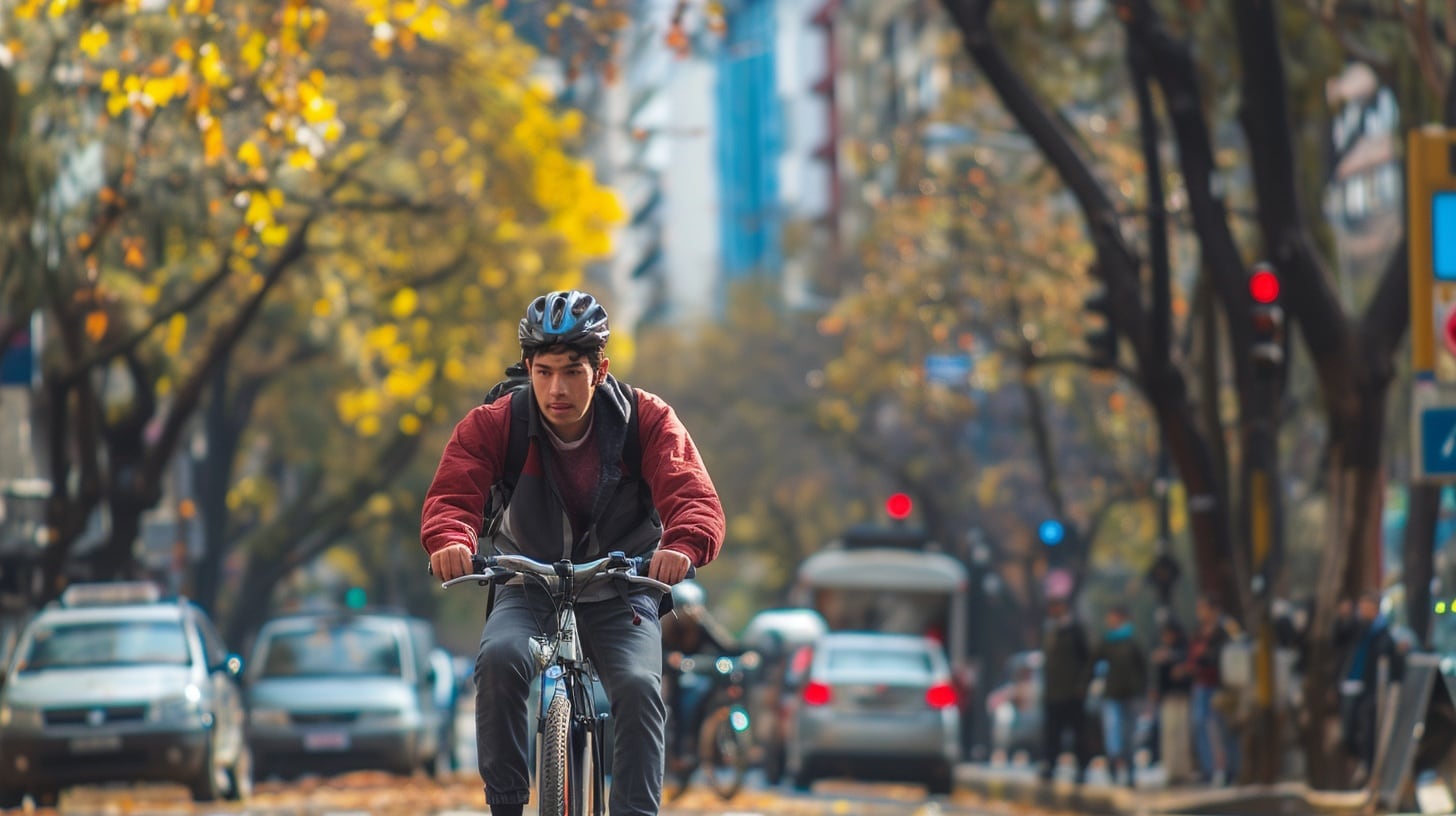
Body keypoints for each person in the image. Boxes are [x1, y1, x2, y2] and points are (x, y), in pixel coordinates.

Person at [421, 289, 726, 816]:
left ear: (599, 370)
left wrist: (681, 545)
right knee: (499, 659)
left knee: (638, 688)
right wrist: (451, 539)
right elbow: (452, 496)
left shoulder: (646, 421)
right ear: (527, 368)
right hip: (527, 583)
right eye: (543, 372)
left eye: (571, 372)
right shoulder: (497, 424)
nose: (556, 388)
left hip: (623, 587)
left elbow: (694, 498)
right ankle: (507, 804)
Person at [1336, 590, 1405, 786]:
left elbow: (1393, 660)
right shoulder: (1355, 628)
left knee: (1368, 730)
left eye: (1367, 608)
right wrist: (1344, 617)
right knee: (1348, 732)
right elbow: (1337, 639)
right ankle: (1360, 763)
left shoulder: (1383, 633)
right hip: (1349, 684)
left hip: (1370, 688)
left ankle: (1368, 769)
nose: (1363, 611)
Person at [1039, 594, 1093, 785]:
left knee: (1078, 733)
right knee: (1052, 733)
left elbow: (1087, 660)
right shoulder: (1049, 629)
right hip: (1053, 692)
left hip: (1073, 691)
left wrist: (1083, 685)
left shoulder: (1075, 630)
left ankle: (1081, 768)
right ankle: (1049, 766)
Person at [1092, 605, 1147, 788]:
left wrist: (1144, 689)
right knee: (1113, 731)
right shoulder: (1106, 641)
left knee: (1129, 733)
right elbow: (1093, 662)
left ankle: (1130, 770)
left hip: (1131, 694)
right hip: (1112, 693)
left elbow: (1143, 667)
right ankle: (1113, 766)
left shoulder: (1133, 639)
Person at [1150, 618, 1195, 786]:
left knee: (1182, 734)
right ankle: (1170, 769)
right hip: (1167, 697)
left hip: (1181, 696)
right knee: (1168, 734)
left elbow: (1188, 667)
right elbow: (1157, 676)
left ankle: (1183, 770)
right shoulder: (1162, 651)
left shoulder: (1183, 650)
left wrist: (1172, 659)